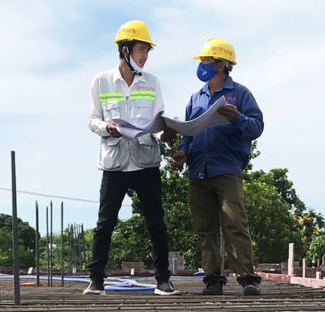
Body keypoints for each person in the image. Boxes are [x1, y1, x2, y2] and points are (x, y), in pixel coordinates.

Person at [86, 20, 180, 296]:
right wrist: (107, 127)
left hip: (145, 161)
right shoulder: (101, 80)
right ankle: (96, 281)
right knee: (105, 223)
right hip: (115, 162)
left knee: (156, 223)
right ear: (124, 50)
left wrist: (166, 134)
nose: (145, 56)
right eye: (141, 49)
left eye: (147, 51)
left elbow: (158, 120)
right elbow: (92, 120)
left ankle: (163, 280)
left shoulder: (152, 82)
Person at [172, 38, 264, 296]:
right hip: (198, 171)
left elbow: (257, 127)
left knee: (235, 223)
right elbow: (188, 133)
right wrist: (182, 152)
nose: (202, 64)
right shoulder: (195, 98)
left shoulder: (240, 94)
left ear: (221, 64)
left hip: (226, 168)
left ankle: (247, 278)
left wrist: (238, 118)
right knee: (206, 228)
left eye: (206, 60)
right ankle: (213, 279)